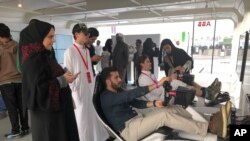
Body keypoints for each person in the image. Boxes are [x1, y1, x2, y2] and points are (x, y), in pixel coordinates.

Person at [100, 67, 231, 141]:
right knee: (164, 117)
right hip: (128, 132)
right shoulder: (106, 97)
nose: (120, 79)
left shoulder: (117, 91)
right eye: (116, 77)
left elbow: (137, 102)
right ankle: (208, 129)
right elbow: (131, 94)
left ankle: (212, 121)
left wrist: (155, 103)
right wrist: (157, 84)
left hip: (138, 120)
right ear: (107, 81)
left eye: (119, 76)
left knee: (172, 108)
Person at [20, 20, 79, 141]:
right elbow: (38, 90)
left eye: (54, 36)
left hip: (56, 113)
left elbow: (50, 75)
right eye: (50, 37)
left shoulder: (43, 56)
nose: (54, 40)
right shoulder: (33, 62)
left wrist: (63, 74)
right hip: (47, 117)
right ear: (38, 38)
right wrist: (62, 79)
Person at [64, 23, 109, 141]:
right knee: (82, 116)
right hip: (79, 88)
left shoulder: (86, 50)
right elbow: (67, 74)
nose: (87, 36)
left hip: (89, 85)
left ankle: (97, 137)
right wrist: (73, 90)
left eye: (87, 33)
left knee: (93, 112)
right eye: (85, 34)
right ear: (76, 34)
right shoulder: (70, 51)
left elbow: (89, 68)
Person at [137, 55, 222, 103]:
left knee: (184, 78)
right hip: (158, 100)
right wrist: (169, 79)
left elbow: (158, 86)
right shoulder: (143, 79)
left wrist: (170, 76)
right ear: (142, 64)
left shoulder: (150, 75)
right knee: (175, 82)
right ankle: (207, 94)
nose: (150, 63)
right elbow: (157, 92)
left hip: (160, 94)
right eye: (148, 61)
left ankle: (206, 90)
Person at [0, 23, 29, 139]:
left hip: (6, 82)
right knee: (22, 106)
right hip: (20, 80)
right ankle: (25, 127)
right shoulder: (17, 45)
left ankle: (15, 130)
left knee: (11, 107)